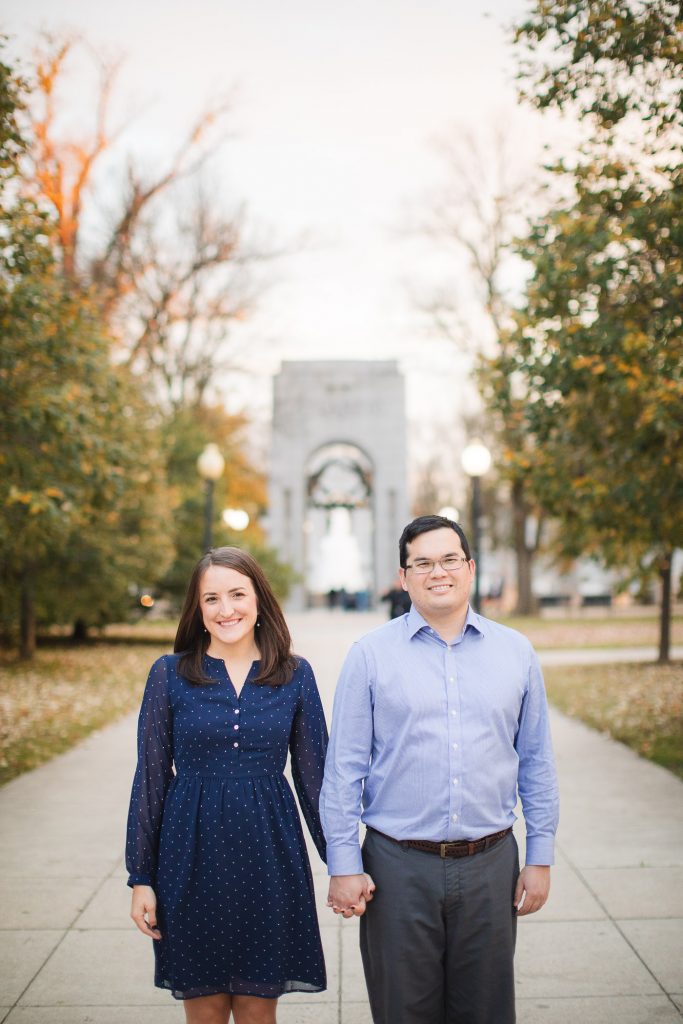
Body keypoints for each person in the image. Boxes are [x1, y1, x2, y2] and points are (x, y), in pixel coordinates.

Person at [320, 514, 559, 1024]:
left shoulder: (516, 653)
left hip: (491, 863)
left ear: (470, 568)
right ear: (404, 578)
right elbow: (343, 770)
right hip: (397, 867)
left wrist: (540, 855)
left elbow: (536, 761)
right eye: (422, 563)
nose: (438, 572)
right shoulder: (369, 656)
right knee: (402, 1011)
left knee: (486, 1012)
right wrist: (344, 864)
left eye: (449, 559)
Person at [126, 546, 329, 1024]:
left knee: (260, 1011)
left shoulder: (295, 675)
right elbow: (151, 778)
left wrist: (344, 863)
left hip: (269, 856)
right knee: (206, 1011)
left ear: (259, 600)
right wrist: (141, 877)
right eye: (211, 599)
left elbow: (316, 780)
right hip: (190, 856)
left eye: (237, 594)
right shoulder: (169, 675)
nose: (226, 609)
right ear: (197, 610)